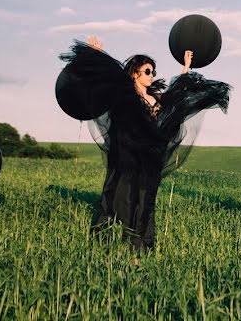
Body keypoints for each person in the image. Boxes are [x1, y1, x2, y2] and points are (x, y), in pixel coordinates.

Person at [58, 35, 231, 254]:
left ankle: (140, 246)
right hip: (127, 156)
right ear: (134, 73)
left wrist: (186, 68)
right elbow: (108, 81)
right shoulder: (124, 96)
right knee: (120, 197)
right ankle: (107, 241)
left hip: (150, 159)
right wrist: (97, 55)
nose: (152, 75)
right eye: (148, 71)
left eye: (153, 72)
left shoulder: (156, 99)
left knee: (146, 201)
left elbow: (176, 99)